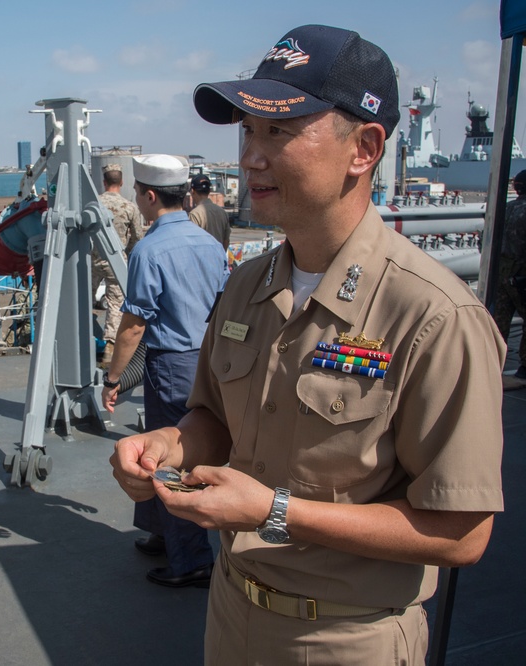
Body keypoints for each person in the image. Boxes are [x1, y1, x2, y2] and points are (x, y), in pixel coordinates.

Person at [110, 24, 504, 664]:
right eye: (247, 131)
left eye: (279, 131)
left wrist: (273, 512)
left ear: (364, 148)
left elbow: (460, 533)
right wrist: (166, 446)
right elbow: (211, 416)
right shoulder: (246, 286)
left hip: (347, 637)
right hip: (231, 610)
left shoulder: (433, 315)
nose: (249, 157)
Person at [101, 154, 228, 588]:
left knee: (168, 460)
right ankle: (162, 533)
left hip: (171, 366)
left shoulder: (149, 250)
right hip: (208, 360)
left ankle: (191, 559)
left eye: (138, 193)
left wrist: (114, 378)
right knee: (182, 447)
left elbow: (133, 326)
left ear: (150, 195)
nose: (137, 200)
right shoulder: (210, 244)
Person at [94, 163, 144, 367]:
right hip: (116, 261)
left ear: (104, 182)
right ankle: (109, 348)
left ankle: (80, 341)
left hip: (91, 259)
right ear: (121, 183)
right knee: (115, 304)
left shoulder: (93, 204)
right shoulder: (129, 207)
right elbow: (138, 238)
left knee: (82, 300)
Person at [494, 169, 526, 379]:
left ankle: (491, 363)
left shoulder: (502, 210)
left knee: (498, 322)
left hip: (499, 275)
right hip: (522, 277)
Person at [185, 173, 230, 250]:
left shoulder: (195, 214)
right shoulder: (222, 212)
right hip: (219, 259)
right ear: (209, 191)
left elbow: (192, 243)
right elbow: (226, 240)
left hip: (202, 260)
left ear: (193, 191)